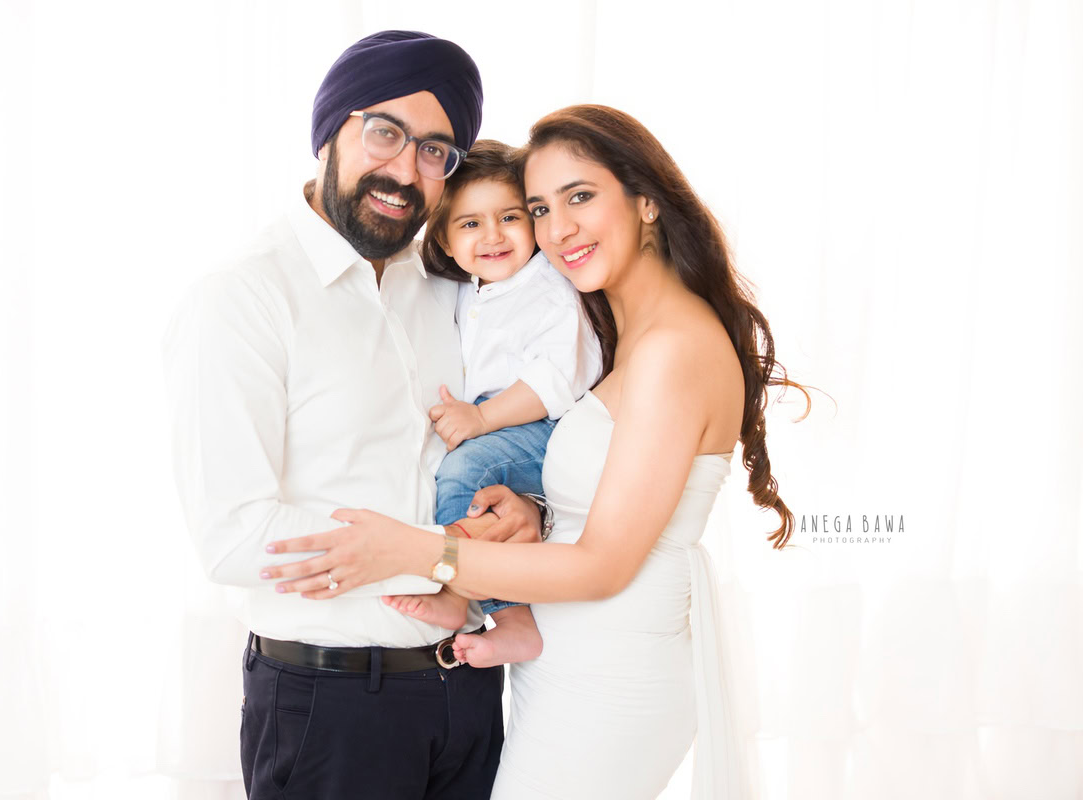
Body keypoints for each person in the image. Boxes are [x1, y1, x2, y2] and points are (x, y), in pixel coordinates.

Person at [261, 104, 810, 799]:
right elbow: (614, 511)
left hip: (612, 678)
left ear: (646, 201)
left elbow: (605, 564)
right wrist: (533, 510)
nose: (559, 230)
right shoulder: (625, 334)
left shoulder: (673, 348)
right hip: (569, 668)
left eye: (581, 197)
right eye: (543, 208)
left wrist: (415, 552)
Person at [162, 30, 542, 800]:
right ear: (330, 129)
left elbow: (492, 441)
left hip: (469, 694)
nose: (405, 171)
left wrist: (523, 516)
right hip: (330, 709)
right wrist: (432, 555)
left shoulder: (448, 288)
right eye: (385, 132)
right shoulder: (242, 301)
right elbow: (233, 537)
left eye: (436, 151)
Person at [381, 139, 603, 669]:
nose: (494, 235)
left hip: (542, 423)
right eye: (470, 224)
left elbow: (554, 380)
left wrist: (480, 417)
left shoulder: (548, 286)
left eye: (510, 217)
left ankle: (499, 612)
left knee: (463, 471)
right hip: (504, 421)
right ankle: (477, 592)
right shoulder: (467, 289)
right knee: (464, 482)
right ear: (445, 238)